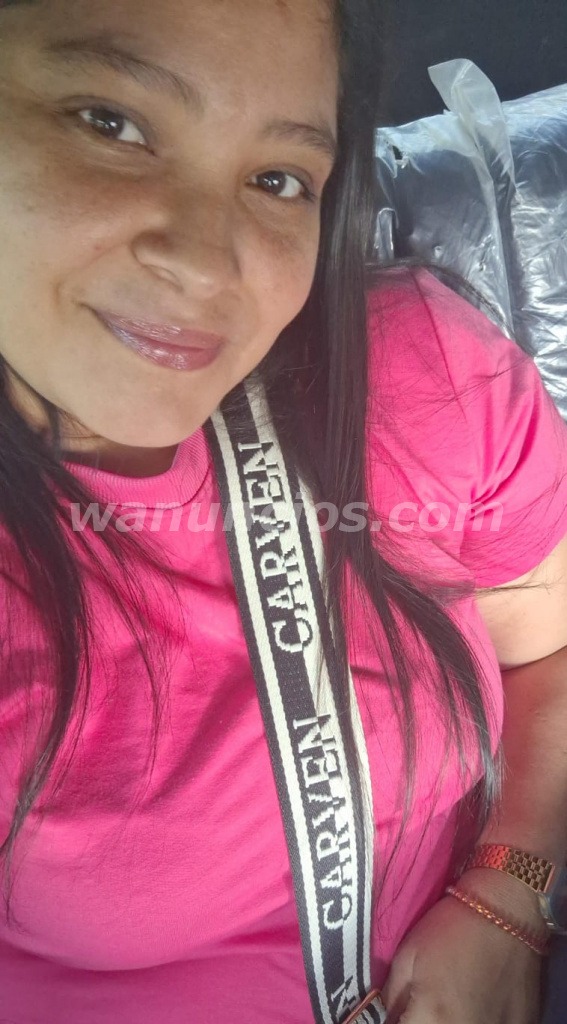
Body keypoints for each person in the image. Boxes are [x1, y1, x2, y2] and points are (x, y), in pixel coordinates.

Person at [0, 1, 566, 1022]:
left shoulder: (422, 378)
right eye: (110, 123)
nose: (207, 265)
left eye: (277, 179)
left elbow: (549, 653)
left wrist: (507, 891)